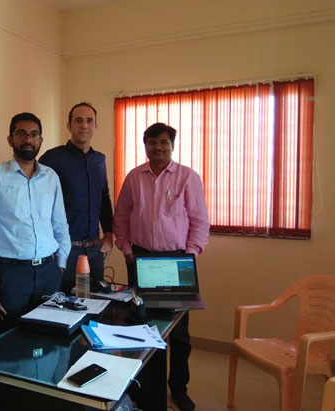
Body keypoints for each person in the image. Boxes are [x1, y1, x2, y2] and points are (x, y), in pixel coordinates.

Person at [113, 122, 210, 411]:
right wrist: (128, 252)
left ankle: (178, 388)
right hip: (140, 259)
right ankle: (144, 389)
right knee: (141, 326)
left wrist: (189, 256)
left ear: (172, 146)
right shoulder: (133, 177)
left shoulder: (187, 177)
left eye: (164, 143)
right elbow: (122, 217)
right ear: (145, 145)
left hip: (177, 261)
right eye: (152, 142)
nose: (158, 148)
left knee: (178, 332)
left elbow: (200, 221)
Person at [0, 112, 71, 331]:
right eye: (21, 134)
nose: (28, 139)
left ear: (40, 140)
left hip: (49, 272)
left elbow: (60, 225)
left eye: (34, 134)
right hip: (9, 276)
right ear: (10, 139)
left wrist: (61, 266)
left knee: (49, 337)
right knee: (9, 341)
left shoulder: (51, 177)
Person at [39, 102, 113, 293]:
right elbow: (38, 202)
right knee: (62, 308)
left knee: (96, 304)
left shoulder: (99, 160)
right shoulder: (52, 158)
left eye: (90, 121)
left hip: (95, 251)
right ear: (69, 126)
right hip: (64, 250)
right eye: (78, 121)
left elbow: (104, 198)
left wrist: (109, 235)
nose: (84, 126)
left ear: (96, 126)